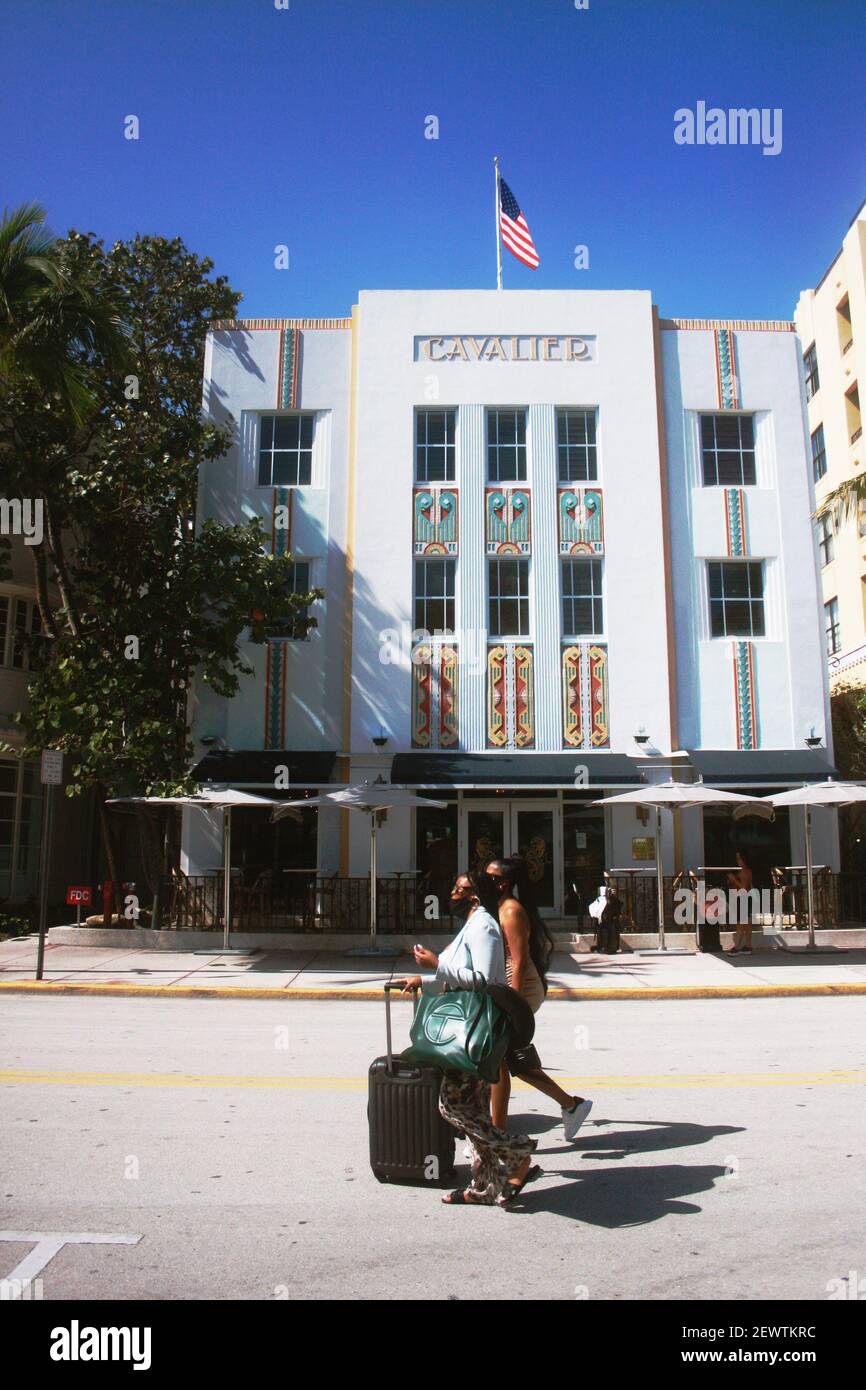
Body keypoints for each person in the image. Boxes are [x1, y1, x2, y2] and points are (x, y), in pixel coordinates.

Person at [396, 869, 539, 1207]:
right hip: (461, 1030)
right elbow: (455, 977)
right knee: (473, 1109)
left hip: (471, 1033)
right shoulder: (473, 925)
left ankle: (516, 1152)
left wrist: (436, 965)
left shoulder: (486, 926)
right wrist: (424, 979)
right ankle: (485, 1186)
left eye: (459, 889)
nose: (452, 894)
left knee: (451, 1106)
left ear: (474, 897)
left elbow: (485, 980)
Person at [485, 857, 593, 1141]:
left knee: (500, 1059)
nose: (483, 881)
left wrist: (514, 1005)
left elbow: (519, 962)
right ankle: (572, 1105)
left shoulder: (510, 910)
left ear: (503, 883)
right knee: (507, 1057)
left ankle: (498, 1134)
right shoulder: (495, 907)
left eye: (489, 876)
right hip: (504, 983)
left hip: (519, 985)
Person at [726, 851, 754, 955]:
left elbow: (744, 888)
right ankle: (748, 945)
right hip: (740, 898)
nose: (737, 861)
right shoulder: (741, 871)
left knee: (742, 924)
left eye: (739, 859)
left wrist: (734, 879)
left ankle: (736, 947)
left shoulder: (745, 872)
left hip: (743, 898)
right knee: (746, 924)